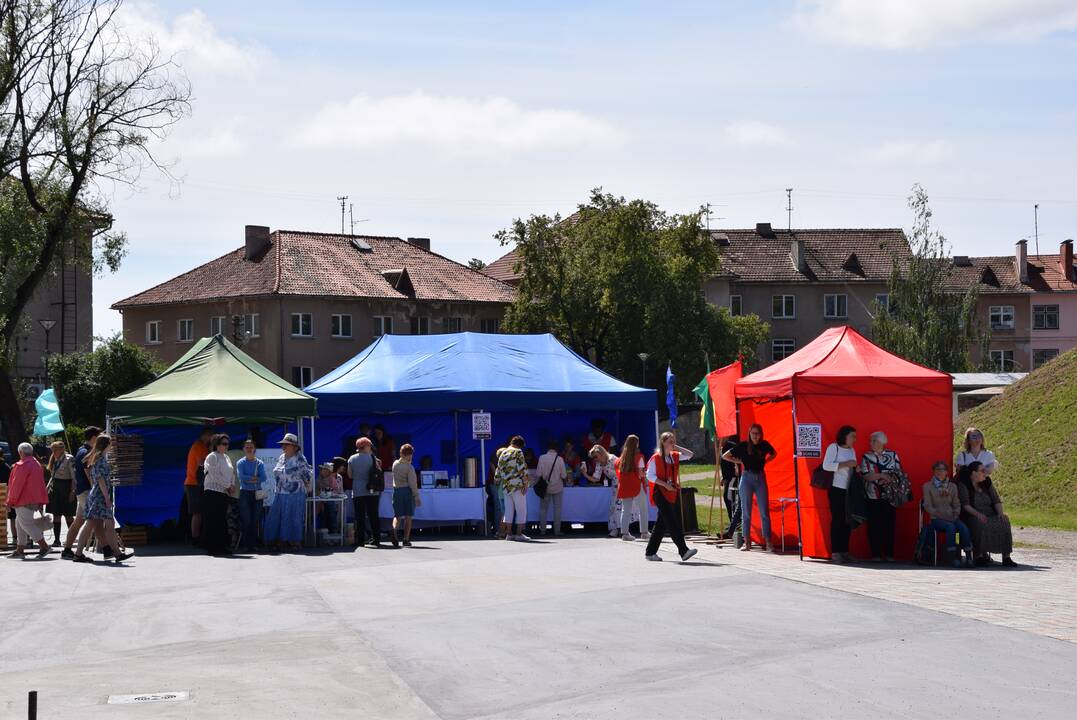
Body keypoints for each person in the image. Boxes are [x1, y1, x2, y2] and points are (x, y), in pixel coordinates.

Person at [73, 435, 132, 564]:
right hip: (100, 496)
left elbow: (96, 479)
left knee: (91, 525)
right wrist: (107, 498)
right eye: (110, 443)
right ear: (106, 444)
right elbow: (100, 480)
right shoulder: (100, 459)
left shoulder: (97, 458)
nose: (111, 446)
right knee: (108, 524)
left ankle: (78, 554)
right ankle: (117, 554)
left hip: (96, 495)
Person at [723, 423, 777, 552]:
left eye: (757, 433)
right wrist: (740, 462)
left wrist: (766, 461)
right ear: (749, 434)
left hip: (760, 478)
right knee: (745, 511)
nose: (755, 436)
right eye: (753, 433)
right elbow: (725, 455)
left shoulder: (764, 445)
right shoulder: (743, 445)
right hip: (746, 478)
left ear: (761, 434)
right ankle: (747, 542)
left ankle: (768, 542)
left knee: (764, 511)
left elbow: (774, 453)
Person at [643, 432, 697, 562]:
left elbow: (690, 455)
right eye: (669, 441)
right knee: (672, 521)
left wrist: (676, 447)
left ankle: (650, 552)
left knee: (661, 524)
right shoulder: (656, 458)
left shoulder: (674, 456)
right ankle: (683, 551)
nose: (672, 442)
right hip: (660, 493)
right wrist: (665, 485)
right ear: (663, 442)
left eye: (673, 440)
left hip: (670, 492)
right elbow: (649, 476)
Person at [958, 461, 1017, 567]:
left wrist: (1000, 513)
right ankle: (978, 556)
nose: (985, 473)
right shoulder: (964, 485)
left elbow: (996, 500)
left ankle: (1006, 557)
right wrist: (978, 515)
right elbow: (965, 505)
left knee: (1004, 521)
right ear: (973, 473)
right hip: (973, 515)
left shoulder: (987, 482)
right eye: (982, 471)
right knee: (978, 523)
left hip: (990, 513)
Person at [859, 432, 904, 563]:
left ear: (881, 442)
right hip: (872, 495)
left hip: (890, 496)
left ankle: (889, 554)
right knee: (874, 525)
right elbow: (865, 475)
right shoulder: (867, 456)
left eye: (873, 441)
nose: (870, 443)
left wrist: (890, 479)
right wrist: (882, 476)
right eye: (870, 441)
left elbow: (899, 471)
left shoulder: (892, 455)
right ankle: (876, 554)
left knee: (889, 525)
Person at [264, 433, 312, 553]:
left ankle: (294, 541)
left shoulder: (300, 458)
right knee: (277, 517)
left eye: (287, 444)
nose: (284, 447)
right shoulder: (282, 457)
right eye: (283, 444)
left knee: (294, 517)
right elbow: (277, 473)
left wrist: (301, 477)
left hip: (295, 493)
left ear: (295, 447)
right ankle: (276, 541)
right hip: (280, 492)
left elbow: (308, 475)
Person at [923, 460, 975, 568]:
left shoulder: (952, 486)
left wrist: (955, 514)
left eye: (943, 470)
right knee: (950, 527)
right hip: (937, 518)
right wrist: (942, 516)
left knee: (963, 527)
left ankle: (969, 557)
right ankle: (952, 558)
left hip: (952, 516)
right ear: (934, 471)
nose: (940, 472)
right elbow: (927, 506)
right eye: (938, 469)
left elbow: (956, 503)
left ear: (947, 472)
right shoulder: (927, 486)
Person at [62, 427, 101, 559]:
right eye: (99, 436)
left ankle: (67, 550)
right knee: (93, 521)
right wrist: (95, 490)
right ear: (94, 438)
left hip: (82, 491)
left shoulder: (81, 450)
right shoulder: (86, 452)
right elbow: (89, 473)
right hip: (86, 491)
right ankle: (80, 553)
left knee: (79, 521)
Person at [8, 443, 52, 558]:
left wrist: (10, 501)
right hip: (34, 499)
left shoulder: (22, 465)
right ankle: (20, 549)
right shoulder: (36, 464)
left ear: (20, 453)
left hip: (23, 500)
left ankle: (44, 547)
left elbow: (16, 485)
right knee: (20, 523)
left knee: (26, 524)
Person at [822, 425, 858, 563]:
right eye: (852, 436)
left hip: (849, 490)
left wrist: (855, 466)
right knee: (837, 519)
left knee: (847, 521)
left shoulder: (852, 450)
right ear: (844, 436)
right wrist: (846, 464)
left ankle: (845, 551)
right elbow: (826, 465)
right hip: (836, 489)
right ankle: (836, 551)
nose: (854, 439)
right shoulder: (833, 447)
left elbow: (852, 466)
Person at [202, 434, 236, 556]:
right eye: (224, 443)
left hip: (223, 493)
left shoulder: (226, 457)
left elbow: (231, 473)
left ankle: (222, 546)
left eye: (227, 444)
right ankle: (212, 547)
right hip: (212, 492)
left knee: (222, 520)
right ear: (217, 445)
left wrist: (231, 485)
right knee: (213, 520)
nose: (226, 446)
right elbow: (214, 475)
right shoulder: (212, 456)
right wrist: (227, 485)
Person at [615, 434, 649, 541]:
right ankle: (644, 532)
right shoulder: (639, 457)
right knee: (643, 509)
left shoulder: (620, 459)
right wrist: (646, 473)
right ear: (636, 444)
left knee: (625, 510)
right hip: (636, 485)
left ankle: (625, 534)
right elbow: (640, 474)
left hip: (624, 486)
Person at [349, 437, 382, 547]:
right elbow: (379, 472)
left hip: (357, 490)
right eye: (369, 445)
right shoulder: (373, 458)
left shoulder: (352, 459)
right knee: (373, 515)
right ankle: (376, 539)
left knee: (360, 516)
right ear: (366, 446)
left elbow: (350, 475)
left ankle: (360, 540)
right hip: (372, 490)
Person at [235, 438, 267, 552]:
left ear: (254, 449)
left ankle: (253, 545)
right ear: (243, 449)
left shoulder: (260, 463)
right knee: (246, 520)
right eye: (247, 447)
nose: (249, 449)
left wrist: (251, 479)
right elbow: (241, 478)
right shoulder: (240, 463)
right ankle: (245, 544)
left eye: (251, 447)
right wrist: (255, 478)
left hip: (257, 493)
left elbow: (264, 478)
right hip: (245, 493)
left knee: (255, 520)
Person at [495, 436, 530, 541]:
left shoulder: (503, 453)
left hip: (506, 486)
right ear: (520, 445)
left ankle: (509, 534)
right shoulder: (518, 452)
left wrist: (498, 480)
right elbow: (522, 469)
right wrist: (526, 484)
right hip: (517, 485)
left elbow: (498, 471)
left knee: (508, 511)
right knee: (521, 510)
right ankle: (519, 534)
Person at [45, 440, 76, 546]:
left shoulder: (69, 459)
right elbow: (52, 476)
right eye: (52, 449)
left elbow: (73, 477)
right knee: (56, 515)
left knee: (68, 515)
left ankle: (71, 539)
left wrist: (72, 492)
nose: (53, 451)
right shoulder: (54, 459)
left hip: (66, 487)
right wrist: (47, 487)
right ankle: (56, 540)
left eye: (55, 449)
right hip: (56, 488)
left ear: (61, 449)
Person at [184, 427, 213, 546]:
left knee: (199, 512)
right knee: (197, 512)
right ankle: (195, 538)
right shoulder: (199, 446)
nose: (212, 438)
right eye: (211, 436)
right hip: (194, 483)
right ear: (205, 436)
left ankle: (197, 537)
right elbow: (202, 463)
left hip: (195, 483)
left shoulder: (200, 446)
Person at [586, 445, 621, 537]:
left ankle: (622, 529)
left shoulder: (613, 459)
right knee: (614, 507)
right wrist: (584, 473)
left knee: (621, 507)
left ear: (601, 453)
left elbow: (623, 471)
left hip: (622, 484)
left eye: (595, 457)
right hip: (615, 486)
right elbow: (595, 478)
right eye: (593, 458)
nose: (594, 459)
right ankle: (615, 529)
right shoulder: (599, 464)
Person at [391, 444, 421, 547]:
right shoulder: (409, 467)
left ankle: (394, 530)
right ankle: (406, 539)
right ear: (409, 455)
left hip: (396, 491)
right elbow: (413, 483)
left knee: (397, 516)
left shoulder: (395, 464)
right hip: (407, 492)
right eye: (411, 455)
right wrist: (416, 496)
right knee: (408, 517)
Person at [536, 440, 567, 536]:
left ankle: (543, 530)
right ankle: (557, 530)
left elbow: (538, 474)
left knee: (543, 509)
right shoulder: (560, 459)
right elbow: (564, 475)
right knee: (557, 509)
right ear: (556, 448)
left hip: (545, 487)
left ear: (547, 448)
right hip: (558, 487)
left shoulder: (542, 458)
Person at [719, 435, 741, 538]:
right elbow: (724, 463)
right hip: (727, 477)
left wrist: (737, 466)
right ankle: (733, 523)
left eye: (721, 438)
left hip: (733, 476)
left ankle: (735, 522)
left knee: (729, 498)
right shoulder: (722, 446)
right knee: (728, 498)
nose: (719, 440)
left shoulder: (730, 445)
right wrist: (723, 477)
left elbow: (738, 455)